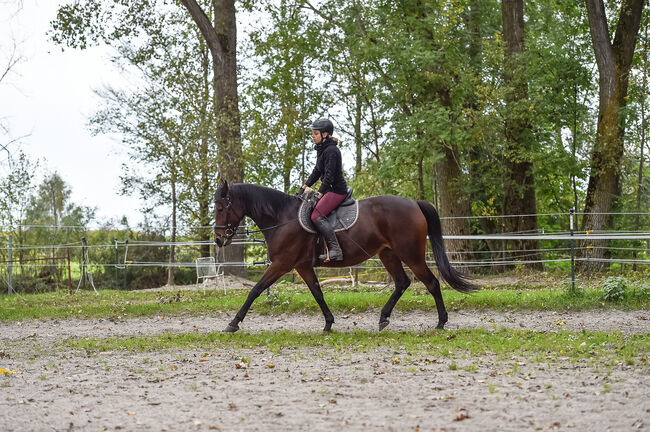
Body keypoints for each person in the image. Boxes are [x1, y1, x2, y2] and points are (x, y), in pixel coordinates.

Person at [300, 117, 347, 262]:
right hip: (329, 189)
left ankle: (335, 250)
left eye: (315, 133)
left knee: (316, 216)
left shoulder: (331, 151)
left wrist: (319, 193)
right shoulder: (322, 150)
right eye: (312, 134)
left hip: (336, 190)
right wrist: (305, 186)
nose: (312, 136)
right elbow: (317, 171)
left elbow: (329, 176)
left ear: (325, 134)